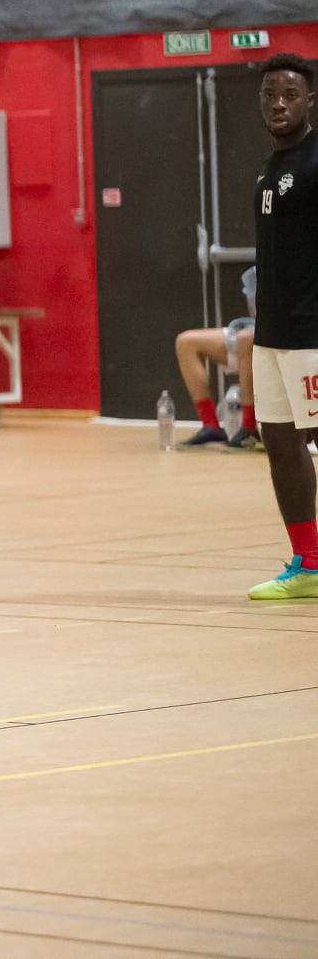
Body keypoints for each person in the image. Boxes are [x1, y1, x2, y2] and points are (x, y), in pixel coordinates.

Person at [245, 53, 318, 601]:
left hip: (310, 331)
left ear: (309, 101)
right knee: (278, 441)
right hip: (270, 334)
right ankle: (310, 564)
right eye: (271, 94)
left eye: (290, 94)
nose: (278, 103)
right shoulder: (270, 172)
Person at [176, 266, 259, 449]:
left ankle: (249, 429)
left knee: (246, 339)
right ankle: (210, 426)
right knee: (186, 342)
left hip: (292, 334)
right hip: (258, 329)